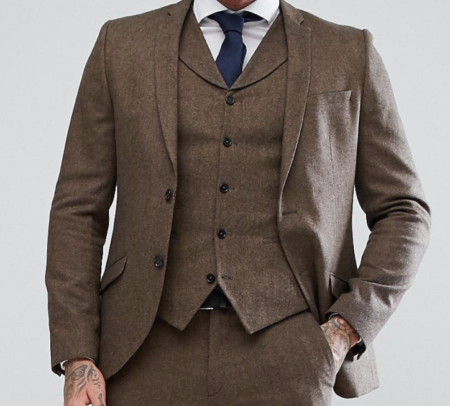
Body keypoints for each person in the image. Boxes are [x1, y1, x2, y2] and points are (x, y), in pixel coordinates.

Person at [45, 0, 431, 404]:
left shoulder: (348, 51)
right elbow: (78, 209)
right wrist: (78, 354)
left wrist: (345, 328)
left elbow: (404, 210)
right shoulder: (122, 45)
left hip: (292, 357)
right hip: (141, 353)